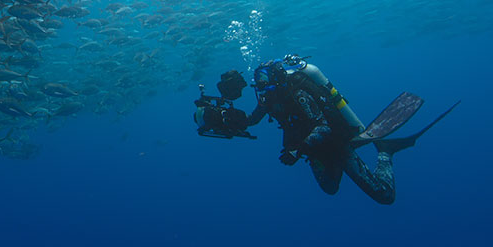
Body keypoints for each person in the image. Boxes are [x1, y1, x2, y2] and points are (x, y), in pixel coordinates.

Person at [195, 54, 457, 205]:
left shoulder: (297, 94)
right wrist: (223, 118)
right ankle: (346, 159)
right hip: (313, 151)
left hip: (335, 145)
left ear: (276, 78)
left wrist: (298, 150)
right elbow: (252, 120)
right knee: (330, 188)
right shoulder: (268, 99)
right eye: (259, 82)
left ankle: (385, 152)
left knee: (384, 196)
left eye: (265, 81)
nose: (262, 87)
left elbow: (323, 126)